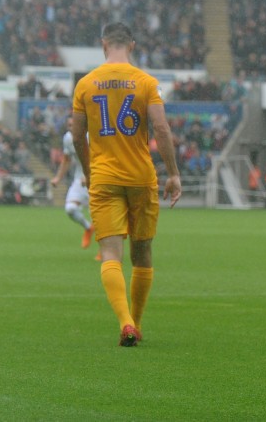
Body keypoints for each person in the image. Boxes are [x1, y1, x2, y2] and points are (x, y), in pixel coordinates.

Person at [71, 22, 182, 347]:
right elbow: (161, 128)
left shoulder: (86, 84)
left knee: (110, 253)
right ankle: (138, 321)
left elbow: (77, 136)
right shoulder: (145, 82)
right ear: (131, 45)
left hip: (104, 177)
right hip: (140, 177)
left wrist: (89, 171)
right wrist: (173, 173)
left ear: (103, 44)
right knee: (142, 251)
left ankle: (125, 322)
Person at [50, 122, 97, 257]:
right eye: (69, 125)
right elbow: (67, 160)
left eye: (73, 124)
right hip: (79, 179)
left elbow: (100, 157)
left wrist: (90, 175)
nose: (70, 127)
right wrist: (58, 178)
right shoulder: (68, 138)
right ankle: (88, 228)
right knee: (70, 209)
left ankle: (105, 250)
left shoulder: (91, 136)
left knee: (98, 216)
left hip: (97, 178)